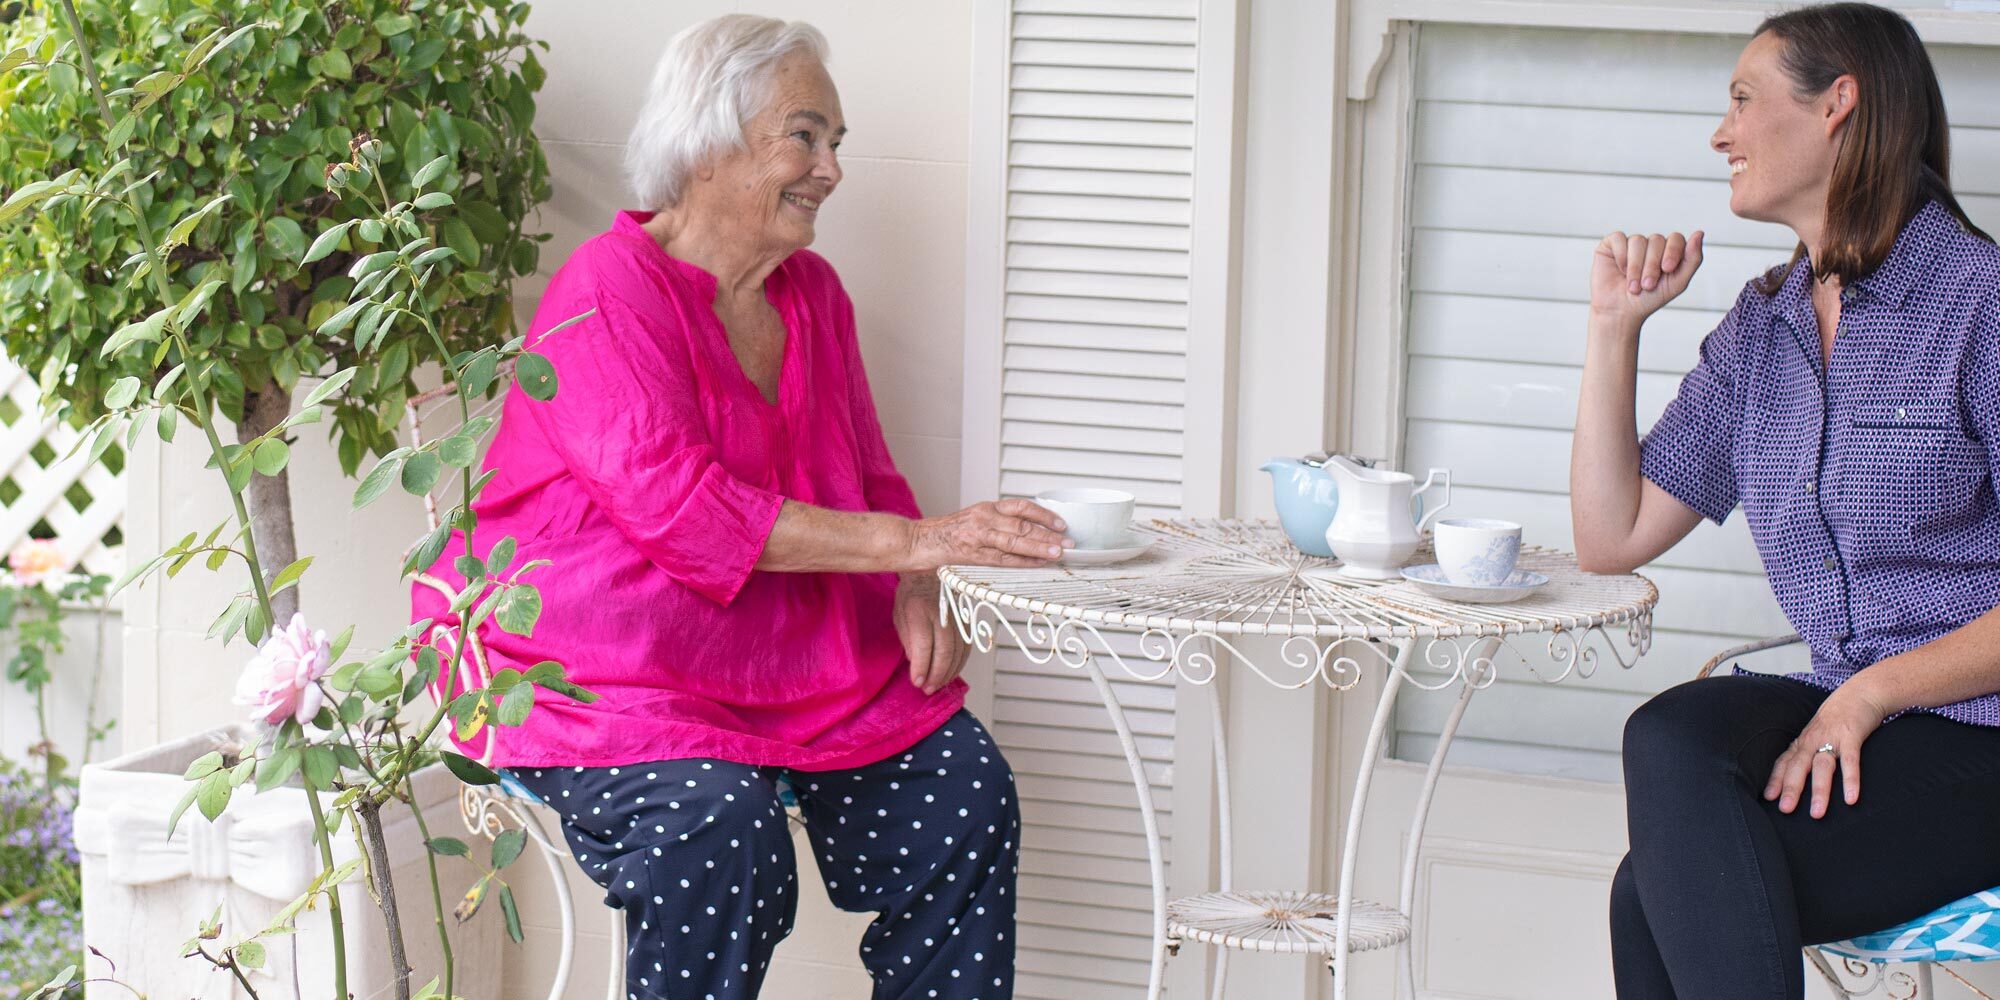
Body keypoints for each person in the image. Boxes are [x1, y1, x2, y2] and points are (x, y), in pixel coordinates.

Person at [408, 15, 1071, 999]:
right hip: (598, 669)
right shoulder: (604, 292)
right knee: (717, 825)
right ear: (709, 139)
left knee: (964, 791)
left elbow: (870, 476)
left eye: (833, 143)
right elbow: (684, 511)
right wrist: (922, 538)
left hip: (783, 660)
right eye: (804, 135)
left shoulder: (812, 295)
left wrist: (916, 577)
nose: (830, 169)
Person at [1568, 4, 2000, 997]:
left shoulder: (1979, 306)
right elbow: (1610, 533)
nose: (1720, 133)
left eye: (1741, 99)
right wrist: (1610, 329)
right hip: (1856, 732)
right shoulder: (1762, 327)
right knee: (1669, 735)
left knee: (1650, 893)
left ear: (1835, 105)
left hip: (1974, 736)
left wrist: (1869, 692)